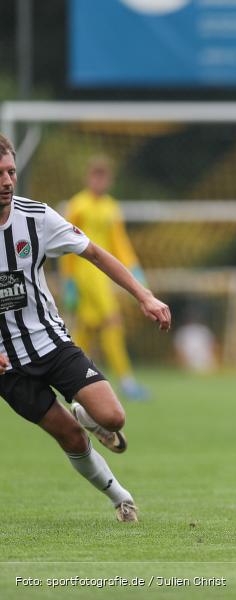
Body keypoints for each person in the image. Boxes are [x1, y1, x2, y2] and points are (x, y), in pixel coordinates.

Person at [0, 135, 171, 521]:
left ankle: (87, 412)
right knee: (70, 437)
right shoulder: (78, 202)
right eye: (0, 174)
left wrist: (144, 296)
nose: (8, 181)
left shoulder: (36, 218)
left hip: (51, 341)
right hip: (7, 365)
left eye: (11, 171)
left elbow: (93, 251)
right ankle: (121, 498)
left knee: (113, 418)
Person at [61, 155, 149, 400]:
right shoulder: (77, 205)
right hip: (85, 274)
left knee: (87, 329)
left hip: (103, 275)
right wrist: (68, 280)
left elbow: (119, 243)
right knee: (112, 321)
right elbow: (65, 244)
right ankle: (127, 381)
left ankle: (72, 379)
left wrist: (134, 268)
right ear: (88, 178)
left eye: (104, 176)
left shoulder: (111, 207)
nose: (100, 181)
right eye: (95, 176)